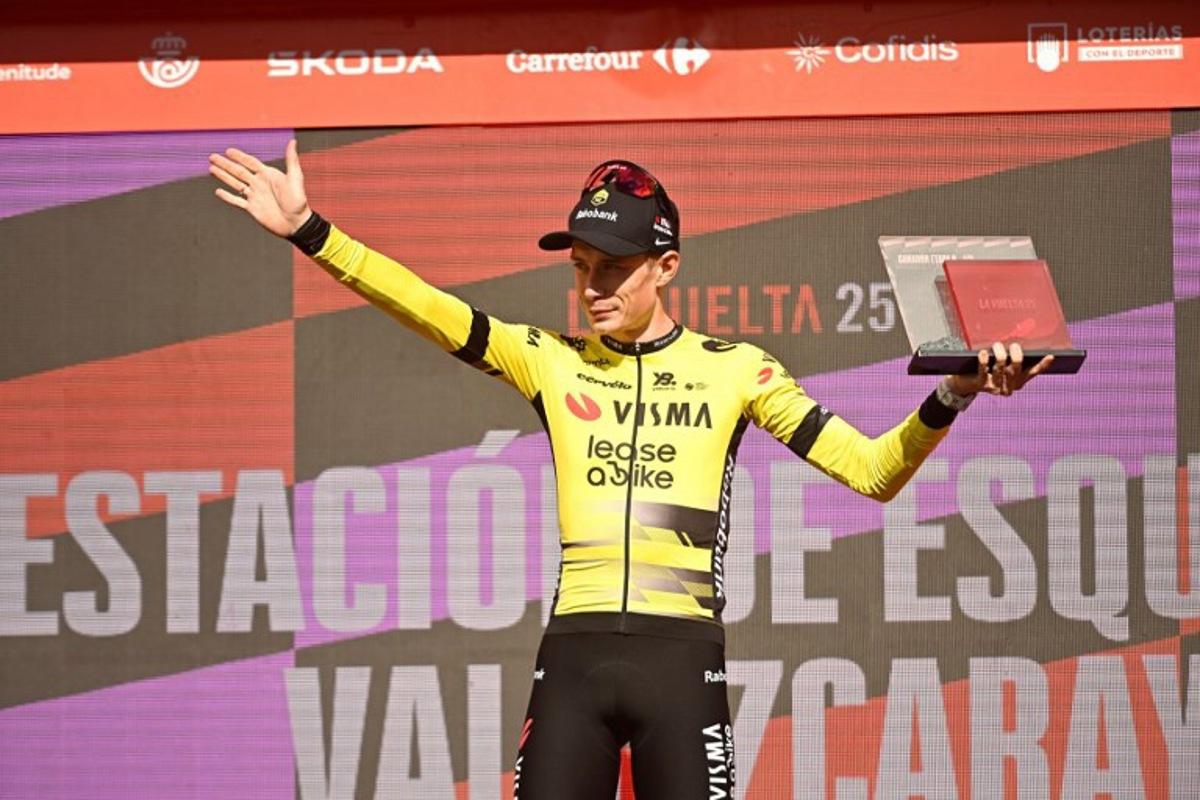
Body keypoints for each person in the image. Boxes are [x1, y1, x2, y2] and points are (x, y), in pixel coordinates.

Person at [210, 141, 1051, 799]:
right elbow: (428, 306)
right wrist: (312, 234)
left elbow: (871, 471)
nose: (593, 287)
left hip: (683, 668)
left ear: (667, 266)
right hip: (572, 661)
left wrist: (954, 391)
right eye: (579, 266)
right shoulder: (549, 359)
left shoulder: (739, 369)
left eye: (612, 267)